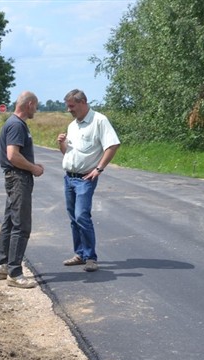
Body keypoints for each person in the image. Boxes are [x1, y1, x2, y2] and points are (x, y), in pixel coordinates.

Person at [56, 89, 120, 272]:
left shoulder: (99, 120)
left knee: (82, 216)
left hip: (85, 178)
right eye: (67, 106)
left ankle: (91, 257)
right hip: (69, 177)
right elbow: (67, 152)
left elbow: (113, 144)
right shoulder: (72, 126)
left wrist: (99, 169)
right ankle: (80, 254)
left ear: (83, 102)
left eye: (71, 106)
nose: (69, 110)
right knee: (73, 218)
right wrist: (61, 143)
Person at [0, 91, 45, 289]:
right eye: (36, 105)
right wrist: (34, 168)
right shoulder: (16, 125)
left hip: (15, 177)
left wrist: (32, 164)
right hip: (18, 179)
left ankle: (2, 265)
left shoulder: (13, 123)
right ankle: (15, 272)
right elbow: (13, 156)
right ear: (29, 104)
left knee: (9, 221)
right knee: (21, 225)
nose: (36, 109)